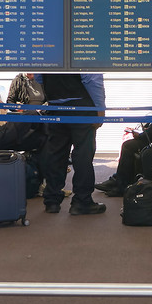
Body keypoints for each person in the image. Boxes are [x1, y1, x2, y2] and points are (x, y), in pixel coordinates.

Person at [38, 72, 106, 215]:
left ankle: (52, 201)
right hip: (81, 107)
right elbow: (93, 80)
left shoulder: (46, 50)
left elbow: (38, 77)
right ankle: (82, 201)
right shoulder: (82, 50)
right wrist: (100, 109)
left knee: (56, 154)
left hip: (55, 107)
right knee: (83, 155)